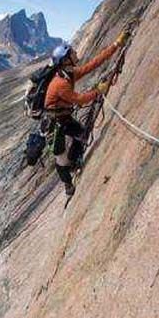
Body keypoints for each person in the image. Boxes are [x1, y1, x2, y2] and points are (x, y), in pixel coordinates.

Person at [44, 30, 130, 196]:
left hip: (63, 117)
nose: (75, 53)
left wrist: (116, 44)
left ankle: (74, 162)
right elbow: (80, 100)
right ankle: (68, 184)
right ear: (66, 60)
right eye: (72, 52)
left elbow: (93, 64)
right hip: (55, 123)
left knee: (82, 134)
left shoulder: (68, 74)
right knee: (60, 157)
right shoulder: (60, 83)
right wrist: (98, 91)